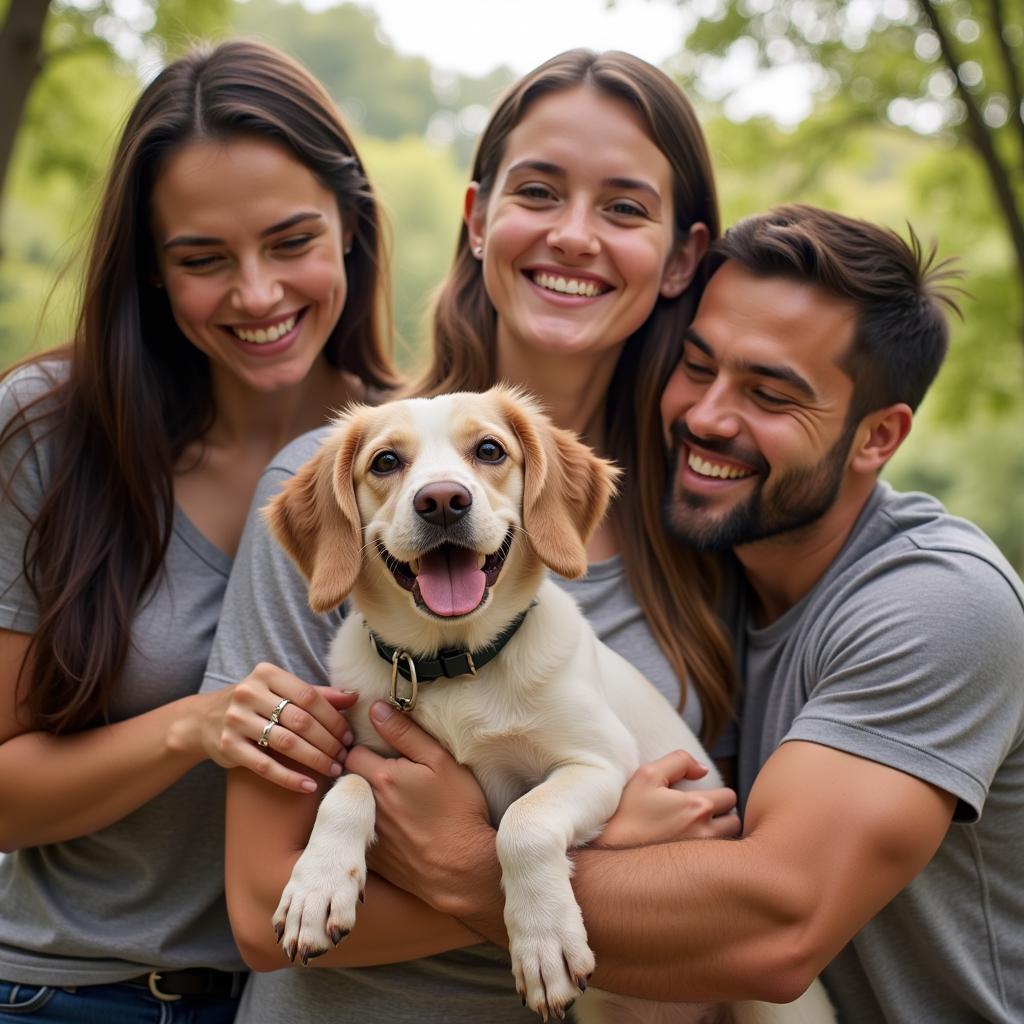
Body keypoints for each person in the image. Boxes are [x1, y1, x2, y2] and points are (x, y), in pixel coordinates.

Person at [354, 205, 1024, 1023]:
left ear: (878, 438)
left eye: (770, 393)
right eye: (697, 366)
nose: (706, 417)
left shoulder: (939, 602)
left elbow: (775, 928)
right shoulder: (710, 571)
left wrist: (464, 861)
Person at [205, 48, 741, 1022]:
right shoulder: (326, 485)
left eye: (623, 206)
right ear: (477, 218)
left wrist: (540, 852)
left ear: (682, 256)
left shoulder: (714, 520)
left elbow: (737, 901)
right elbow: (258, 909)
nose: (574, 235)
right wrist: (596, 856)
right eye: (539, 191)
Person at [0, 39, 395, 1022]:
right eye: (203, 259)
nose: (256, 294)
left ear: (352, 225)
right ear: (150, 268)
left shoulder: (413, 463)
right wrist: (193, 727)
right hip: (71, 993)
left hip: (309, 996)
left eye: (291, 241)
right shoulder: (47, 429)